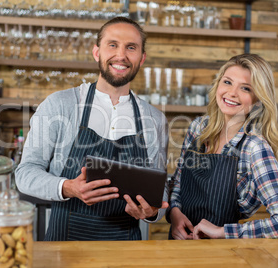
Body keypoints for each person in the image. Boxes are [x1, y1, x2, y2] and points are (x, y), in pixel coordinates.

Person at [15, 17, 169, 241]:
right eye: (113, 45)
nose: (121, 56)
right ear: (97, 52)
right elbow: (25, 173)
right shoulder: (60, 105)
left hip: (126, 250)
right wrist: (68, 187)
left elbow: (160, 190)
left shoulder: (155, 120)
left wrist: (153, 212)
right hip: (63, 248)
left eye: (131, 48)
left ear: (141, 58)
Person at [167, 53, 278, 240]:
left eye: (245, 88)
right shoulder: (198, 128)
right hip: (177, 244)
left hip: (223, 255)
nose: (231, 93)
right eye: (228, 82)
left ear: (258, 99)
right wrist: (174, 213)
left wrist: (223, 232)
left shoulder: (254, 147)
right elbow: (178, 183)